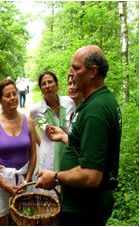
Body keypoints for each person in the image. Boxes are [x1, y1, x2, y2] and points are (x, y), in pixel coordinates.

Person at [35, 45, 122, 225]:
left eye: (76, 68)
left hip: (85, 210)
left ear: (93, 72)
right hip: (82, 205)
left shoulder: (95, 110)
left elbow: (91, 175)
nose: (71, 73)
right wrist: (65, 136)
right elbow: (86, 146)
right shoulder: (96, 101)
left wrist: (56, 177)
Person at [0, 78, 37, 226]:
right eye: (8, 95)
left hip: (23, 182)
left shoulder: (28, 121)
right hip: (0, 182)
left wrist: (26, 181)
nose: (13, 98)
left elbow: (33, 155)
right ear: (1, 100)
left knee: (25, 220)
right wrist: (4, 184)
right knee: (1, 221)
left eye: (14, 94)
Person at [30, 71, 75, 173]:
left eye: (50, 82)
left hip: (69, 152)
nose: (47, 86)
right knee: (50, 187)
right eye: (43, 84)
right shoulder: (36, 110)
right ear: (41, 89)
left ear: (57, 84)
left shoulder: (70, 103)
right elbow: (30, 129)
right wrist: (41, 143)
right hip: (48, 157)